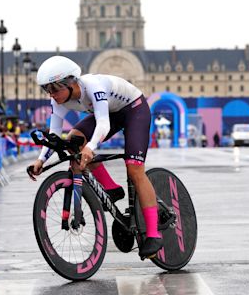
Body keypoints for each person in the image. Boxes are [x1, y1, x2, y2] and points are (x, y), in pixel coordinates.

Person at [29, 55, 163, 258]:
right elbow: (55, 134)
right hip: (111, 112)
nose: (51, 94)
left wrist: (90, 147)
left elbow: (103, 124)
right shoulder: (58, 100)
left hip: (134, 109)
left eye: (55, 89)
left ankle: (154, 234)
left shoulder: (93, 86)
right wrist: (40, 160)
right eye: (47, 89)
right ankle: (111, 188)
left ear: (71, 82)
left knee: (134, 169)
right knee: (73, 139)